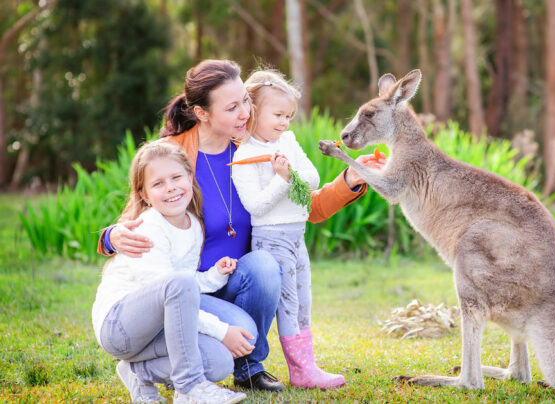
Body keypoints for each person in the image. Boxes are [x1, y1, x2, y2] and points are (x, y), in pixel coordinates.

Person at [96, 59, 384, 391]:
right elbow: (137, 216)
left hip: (235, 278)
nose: (245, 113)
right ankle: (163, 363)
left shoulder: (255, 148)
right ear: (203, 113)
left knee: (264, 265)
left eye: (245, 101)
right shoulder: (174, 155)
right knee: (223, 348)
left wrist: (349, 177)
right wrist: (110, 238)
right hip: (190, 288)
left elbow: (307, 207)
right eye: (232, 107)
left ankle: (249, 368)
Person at [92, 141, 248, 403]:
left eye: (176, 177)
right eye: (158, 183)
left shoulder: (193, 225)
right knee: (180, 287)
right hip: (120, 327)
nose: (171, 188)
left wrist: (214, 276)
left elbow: (182, 290)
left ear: (190, 177)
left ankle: (137, 371)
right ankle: (190, 388)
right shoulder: (149, 227)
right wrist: (222, 331)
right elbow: (174, 286)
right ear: (144, 194)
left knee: (219, 362)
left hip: (158, 330)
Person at [231, 69, 340, 389]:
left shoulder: (287, 141)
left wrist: (289, 173)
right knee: (289, 304)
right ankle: (302, 371)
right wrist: (282, 179)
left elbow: (313, 178)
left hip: (297, 236)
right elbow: (257, 207)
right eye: (278, 115)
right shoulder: (245, 157)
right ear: (252, 112)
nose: (284, 123)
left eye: (289, 116)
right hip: (271, 239)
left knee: (304, 299)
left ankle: (306, 367)